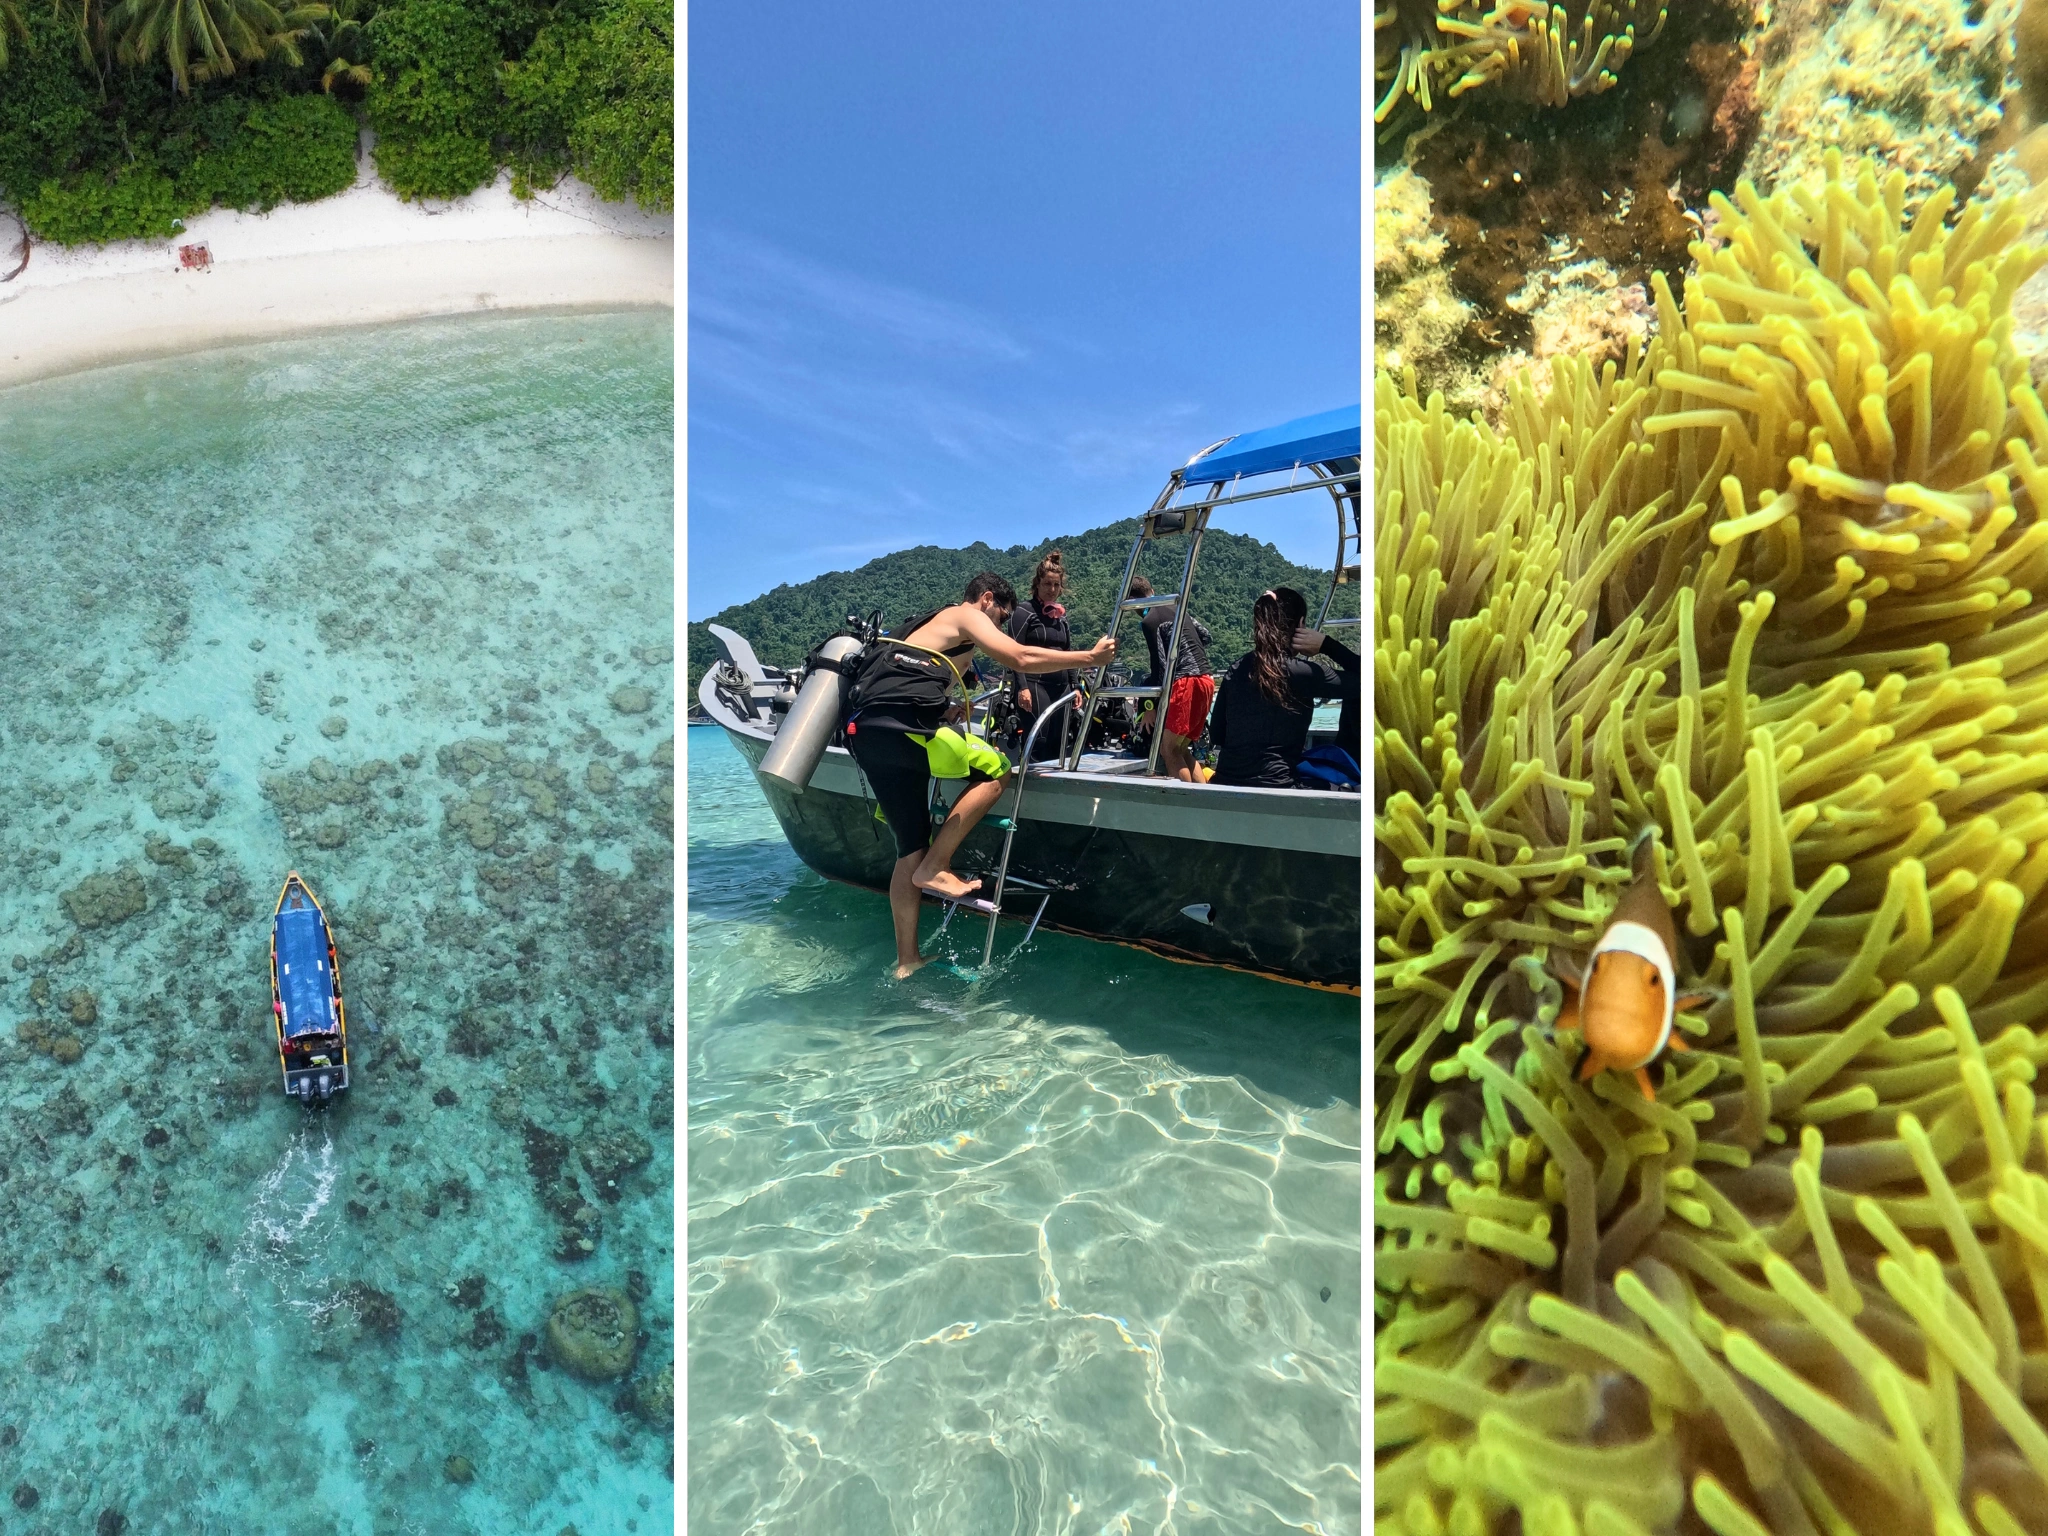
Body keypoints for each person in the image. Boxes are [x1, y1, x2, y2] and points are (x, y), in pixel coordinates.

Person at [843, 572, 1116, 977]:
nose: (999, 628)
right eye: (1001, 618)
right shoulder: (966, 615)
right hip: (905, 729)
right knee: (996, 769)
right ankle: (938, 865)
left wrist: (945, 710)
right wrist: (1089, 659)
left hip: (866, 733)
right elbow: (1020, 657)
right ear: (986, 599)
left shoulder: (923, 623)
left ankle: (907, 960)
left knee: (909, 849)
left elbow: (907, 681)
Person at [1209, 587, 1361, 788]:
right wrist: (1326, 645)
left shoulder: (1235, 669)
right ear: (1300, 625)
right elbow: (1370, 679)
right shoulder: (1302, 672)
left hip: (1226, 783)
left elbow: (1217, 734)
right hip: (1280, 787)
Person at [1132, 575, 1213, 782]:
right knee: (1183, 749)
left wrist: (1151, 705)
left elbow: (1159, 666)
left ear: (1133, 602)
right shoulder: (1177, 608)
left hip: (1185, 682)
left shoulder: (1149, 621)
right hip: (1206, 678)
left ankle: (1185, 807)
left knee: (1168, 750)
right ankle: (1202, 804)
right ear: (1151, 590)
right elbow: (1206, 636)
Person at [1007, 550, 1079, 760]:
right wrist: (1022, 688)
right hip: (1034, 683)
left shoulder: (1061, 617)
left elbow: (1068, 653)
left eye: (1056, 585)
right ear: (1037, 584)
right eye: (1047, 584)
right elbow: (1013, 651)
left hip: (1061, 684)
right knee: (1039, 739)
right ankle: (1028, 785)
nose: (1052, 589)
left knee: (1059, 742)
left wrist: (1075, 686)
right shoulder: (1023, 612)